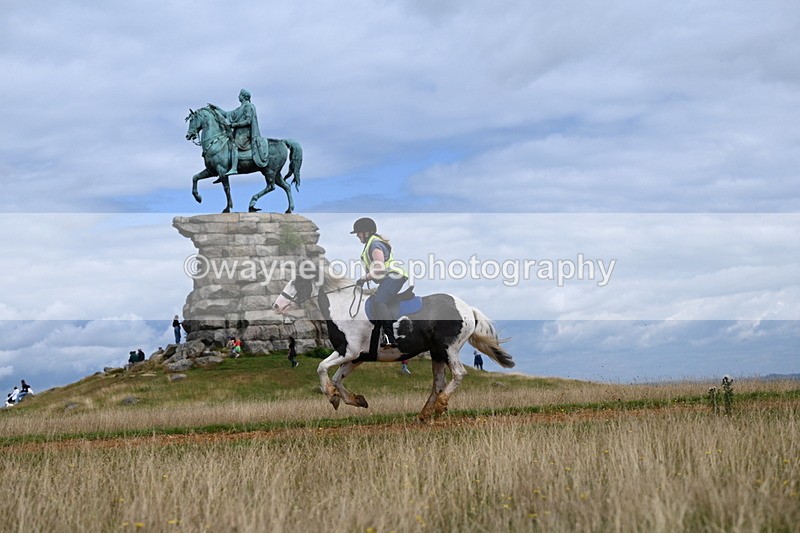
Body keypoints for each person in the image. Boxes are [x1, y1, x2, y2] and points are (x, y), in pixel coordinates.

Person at [352, 217, 409, 360]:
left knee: (379, 301)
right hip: (389, 278)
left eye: (358, 233)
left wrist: (364, 278)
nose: (358, 236)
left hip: (394, 276)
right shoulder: (371, 244)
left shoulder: (375, 245)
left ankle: (390, 337)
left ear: (366, 232)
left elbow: (380, 268)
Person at [209, 89, 266, 176]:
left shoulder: (249, 107)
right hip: (238, 133)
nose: (238, 96)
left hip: (245, 134)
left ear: (244, 96)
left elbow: (248, 121)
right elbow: (227, 114)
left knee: (234, 145)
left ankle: (234, 168)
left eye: (240, 95)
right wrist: (216, 108)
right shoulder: (240, 109)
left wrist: (233, 125)